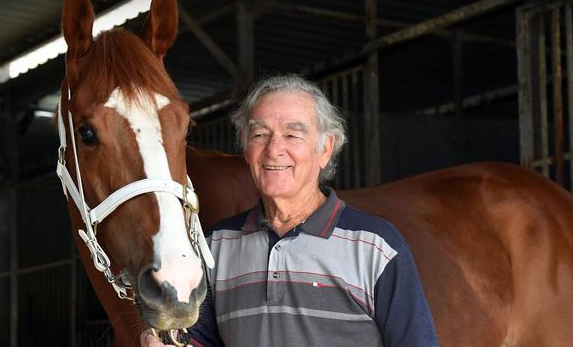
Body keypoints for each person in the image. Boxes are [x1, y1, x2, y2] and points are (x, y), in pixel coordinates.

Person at [142, 74, 438, 346]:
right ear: (245, 147)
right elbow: (201, 341)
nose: (273, 149)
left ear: (325, 149)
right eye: (259, 134)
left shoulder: (377, 247)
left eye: (292, 135)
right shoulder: (215, 246)